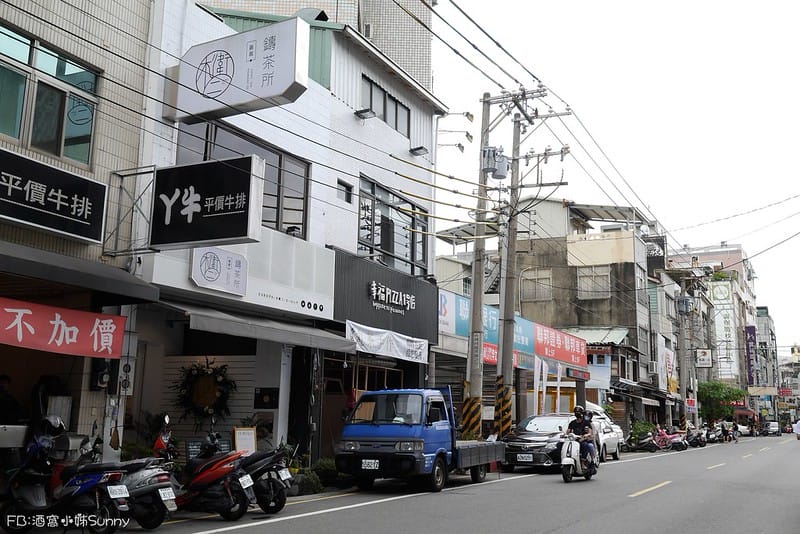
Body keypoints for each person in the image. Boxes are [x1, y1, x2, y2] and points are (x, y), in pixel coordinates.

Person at [567, 405, 595, 470]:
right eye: (576, 412)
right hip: (574, 441)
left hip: (583, 440)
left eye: (579, 412)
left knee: (585, 445)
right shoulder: (572, 423)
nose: (577, 414)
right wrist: (564, 435)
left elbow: (590, 432)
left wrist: (586, 435)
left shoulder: (586, 422)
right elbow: (568, 431)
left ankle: (583, 463)